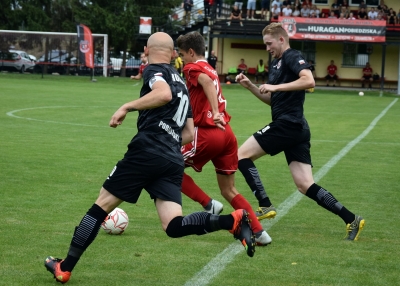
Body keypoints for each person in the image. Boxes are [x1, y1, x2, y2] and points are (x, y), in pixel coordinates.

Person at [44, 32, 256, 284]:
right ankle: (231, 221)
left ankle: (65, 267)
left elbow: (163, 94)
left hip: (147, 151)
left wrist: (127, 106)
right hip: (171, 159)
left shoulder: (155, 70)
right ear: (173, 53)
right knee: (173, 226)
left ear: (146, 50)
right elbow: (188, 133)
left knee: (100, 206)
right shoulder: (182, 83)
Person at [235, 23, 365, 242]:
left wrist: (275, 87)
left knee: (241, 155)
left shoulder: (292, 56)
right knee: (305, 185)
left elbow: (309, 80)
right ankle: (351, 218)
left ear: (281, 39)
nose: (267, 48)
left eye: (269, 43)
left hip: (288, 125)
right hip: (296, 128)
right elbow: (273, 100)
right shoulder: (277, 64)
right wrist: (252, 87)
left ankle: (265, 205)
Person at [176, 31, 272, 247]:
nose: (181, 59)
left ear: (191, 52)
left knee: (167, 167)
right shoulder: (210, 66)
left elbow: (207, 84)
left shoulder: (192, 68)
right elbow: (209, 81)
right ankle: (259, 232)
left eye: (182, 54)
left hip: (208, 132)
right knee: (229, 189)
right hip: (227, 134)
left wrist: (213, 112)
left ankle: (208, 204)